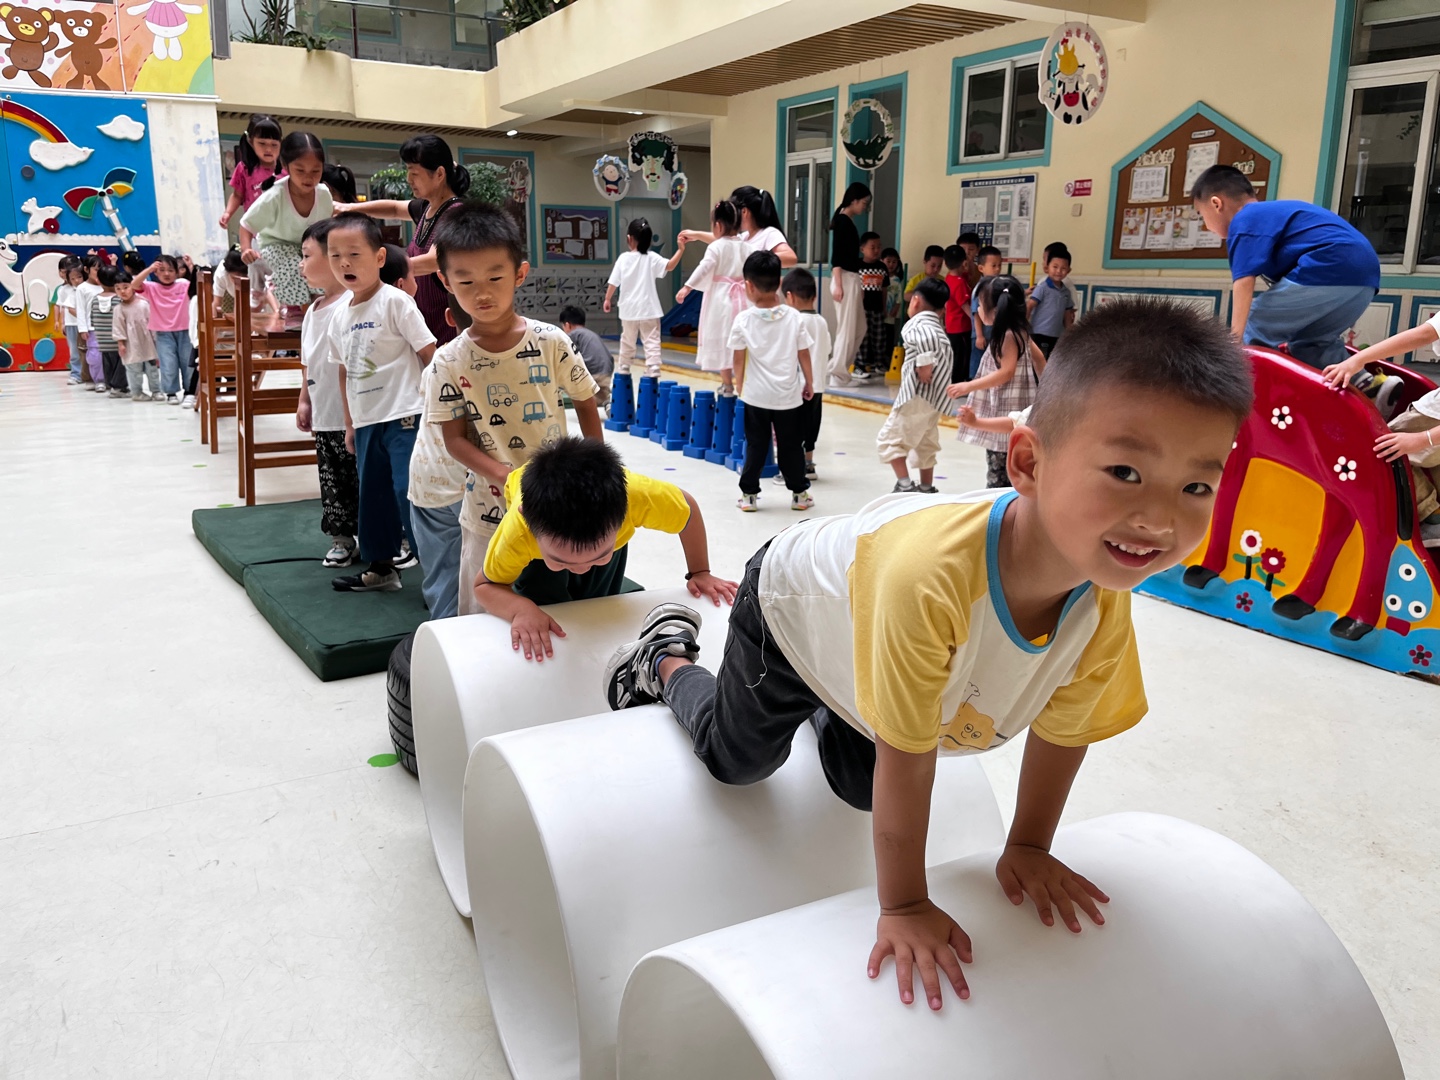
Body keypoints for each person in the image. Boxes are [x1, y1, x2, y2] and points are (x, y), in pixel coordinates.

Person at [602, 297, 1253, 1011]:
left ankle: (838, 697)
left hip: (862, 628)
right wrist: (905, 905)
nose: (1159, 518)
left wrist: (1028, 846)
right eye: (1125, 472)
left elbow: (1067, 729)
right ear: (1028, 461)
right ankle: (664, 660)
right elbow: (910, 760)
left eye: (1197, 485)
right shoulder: (931, 578)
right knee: (739, 763)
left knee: (860, 789)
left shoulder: (1100, 599)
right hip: (792, 608)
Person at [425, 203, 604, 616]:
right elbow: (454, 440)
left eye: (495, 278)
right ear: (445, 281)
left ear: (519, 274)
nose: (482, 293)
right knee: (481, 609)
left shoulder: (551, 341)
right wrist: (505, 475)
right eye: (466, 281)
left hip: (555, 505)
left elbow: (585, 403)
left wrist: (596, 469)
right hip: (487, 510)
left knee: (555, 608)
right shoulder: (448, 360)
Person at [475, 437, 737, 661]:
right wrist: (520, 609)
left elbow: (687, 510)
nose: (581, 568)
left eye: (598, 556)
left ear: (625, 514)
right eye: (563, 561)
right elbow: (485, 585)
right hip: (537, 558)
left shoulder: (638, 496)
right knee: (545, 603)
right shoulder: (518, 532)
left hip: (576, 543)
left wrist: (700, 572)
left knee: (599, 605)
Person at [326, 212, 437, 593]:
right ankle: (381, 567)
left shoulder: (395, 302)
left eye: (354, 254)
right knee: (371, 495)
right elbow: (343, 371)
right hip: (366, 419)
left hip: (406, 413)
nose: (344, 263)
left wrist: (439, 410)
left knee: (410, 491)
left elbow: (429, 354)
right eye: (335, 255)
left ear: (378, 258)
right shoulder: (339, 316)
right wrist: (349, 423)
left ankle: (439, 575)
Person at [1192, 164, 1380, 369]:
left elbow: (1244, 282)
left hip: (1329, 265)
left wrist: (1235, 343)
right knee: (1310, 343)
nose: (1206, 226)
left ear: (1216, 204)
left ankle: (1254, 385)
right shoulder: (1271, 214)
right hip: (1365, 279)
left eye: (1202, 215)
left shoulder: (1244, 219)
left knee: (1257, 323)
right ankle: (1366, 382)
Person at [335, 134, 472, 345]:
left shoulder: (455, 213)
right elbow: (393, 208)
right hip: (423, 317)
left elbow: (433, 260)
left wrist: (375, 267)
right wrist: (349, 208)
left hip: (444, 322)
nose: (409, 179)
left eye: (414, 173)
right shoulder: (427, 208)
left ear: (439, 174)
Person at [1321, 317, 1440, 547]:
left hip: (1434, 416)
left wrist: (1421, 439)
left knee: (1382, 449)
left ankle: (1430, 515)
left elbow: (1423, 334)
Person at [293, 219, 358, 569]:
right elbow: (308, 362)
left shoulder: (351, 303)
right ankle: (342, 539)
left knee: (362, 478)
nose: (301, 265)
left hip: (354, 415)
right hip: (325, 412)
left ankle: (384, 537)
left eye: (307, 256)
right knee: (331, 479)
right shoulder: (313, 310)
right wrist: (304, 400)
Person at [729, 250, 816, 512]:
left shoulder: (743, 320)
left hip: (755, 396)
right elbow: (803, 353)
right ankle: (799, 495)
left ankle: (749, 496)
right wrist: (809, 382)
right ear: (779, 282)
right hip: (787, 397)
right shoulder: (794, 317)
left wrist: (740, 385)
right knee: (791, 447)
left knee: (756, 446)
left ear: (749, 286)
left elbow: (738, 359)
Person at [407, 294, 473, 618]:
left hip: (426, 479)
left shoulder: (439, 361)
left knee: (441, 577)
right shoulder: (503, 359)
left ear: (448, 317)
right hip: (471, 483)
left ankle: (444, 631)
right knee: (487, 573)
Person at [951, 275, 1046, 488]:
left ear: (994, 311)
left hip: (1006, 407)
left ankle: (999, 503)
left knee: (1000, 470)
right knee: (1014, 464)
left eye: (980, 305)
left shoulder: (1008, 337)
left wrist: (969, 385)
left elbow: (1006, 372)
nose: (978, 309)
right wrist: (1049, 388)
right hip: (1019, 406)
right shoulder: (1019, 332)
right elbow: (1040, 360)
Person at [239, 131, 333, 312]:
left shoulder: (323, 194)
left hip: (309, 245)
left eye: (315, 171)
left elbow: (326, 229)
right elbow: (246, 225)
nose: (308, 177)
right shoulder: (275, 195)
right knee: (294, 266)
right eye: (300, 170)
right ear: (285, 166)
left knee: (324, 267)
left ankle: (321, 308)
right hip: (275, 244)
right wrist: (246, 249)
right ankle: (294, 310)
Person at [879, 278, 954, 494]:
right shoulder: (938, 327)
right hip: (934, 400)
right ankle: (926, 486)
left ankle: (904, 485)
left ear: (916, 300)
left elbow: (925, 341)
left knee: (889, 440)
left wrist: (924, 365)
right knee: (926, 441)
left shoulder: (918, 323)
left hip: (916, 395)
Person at [677, 199, 748, 397]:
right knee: (741, 344)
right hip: (744, 299)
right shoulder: (746, 246)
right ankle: (743, 385)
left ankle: (727, 384)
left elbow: (704, 267)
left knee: (723, 341)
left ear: (717, 225)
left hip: (721, 299)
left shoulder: (716, 247)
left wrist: (687, 287)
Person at [604, 218, 686, 378]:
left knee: (627, 339)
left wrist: (608, 299)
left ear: (629, 238)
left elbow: (613, 282)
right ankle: (653, 366)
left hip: (629, 309)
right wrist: (680, 250)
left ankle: (624, 366)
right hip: (649, 308)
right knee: (651, 340)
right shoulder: (652, 257)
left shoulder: (623, 258)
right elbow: (670, 266)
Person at [782, 267, 831, 482]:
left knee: (792, 429)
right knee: (811, 426)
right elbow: (827, 348)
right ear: (815, 296)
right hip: (817, 384)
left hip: (798, 386)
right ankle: (809, 463)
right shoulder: (821, 321)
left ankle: (791, 469)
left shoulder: (794, 321)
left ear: (790, 297)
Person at [130, 255, 193, 402]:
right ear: (156, 273)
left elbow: (198, 285)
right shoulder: (152, 288)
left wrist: (191, 267)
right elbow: (134, 284)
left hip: (185, 331)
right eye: (162, 270)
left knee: (187, 363)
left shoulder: (183, 284)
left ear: (177, 272)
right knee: (168, 363)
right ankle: (171, 393)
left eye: (171, 270)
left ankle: (190, 391)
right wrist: (149, 269)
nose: (166, 274)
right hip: (163, 333)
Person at [827, 182, 871, 387]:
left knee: (859, 327)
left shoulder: (847, 221)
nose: (865, 207)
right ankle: (838, 374)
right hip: (843, 278)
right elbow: (837, 257)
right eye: (864, 203)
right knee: (847, 329)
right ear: (854, 200)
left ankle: (839, 368)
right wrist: (838, 285)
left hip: (851, 278)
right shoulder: (842, 222)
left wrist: (858, 284)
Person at [219, 113, 282, 230]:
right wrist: (228, 213)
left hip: (283, 232)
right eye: (262, 143)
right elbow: (237, 196)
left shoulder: (287, 169)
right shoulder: (244, 169)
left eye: (274, 145)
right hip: (255, 232)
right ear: (251, 141)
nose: (268, 149)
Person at [113, 274, 163, 401]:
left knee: (152, 369)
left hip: (148, 342)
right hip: (131, 344)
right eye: (118, 288)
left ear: (133, 286)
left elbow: (152, 322)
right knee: (133, 370)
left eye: (125, 287)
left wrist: (156, 340)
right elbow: (118, 328)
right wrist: (121, 344)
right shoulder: (119, 309)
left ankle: (156, 391)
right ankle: (136, 392)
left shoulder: (144, 304)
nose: (122, 291)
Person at [1027, 243, 1076, 359]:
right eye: (1055, 267)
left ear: (1069, 270)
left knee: (1051, 362)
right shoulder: (1042, 288)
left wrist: (1070, 333)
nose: (1059, 271)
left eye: (1063, 268)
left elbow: (1067, 314)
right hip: (1039, 333)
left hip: (1057, 336)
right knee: (1039, 361)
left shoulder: (1066, 292)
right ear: (1046, 268)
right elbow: (1030, 305)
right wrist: (1024, 325)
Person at [558, 304, 613, 407]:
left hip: (592, 377)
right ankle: (604, 400)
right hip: (606, 376)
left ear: (567, 325)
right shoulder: (591, 334)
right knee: (600, 398)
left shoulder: (572, 335)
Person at [88, 266, 127, 398]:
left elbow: (92, 319)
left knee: (108, 364)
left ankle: (111, 385)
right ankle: (119, 387)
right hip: (118, 340)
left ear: (98, 280)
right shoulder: (119, 300)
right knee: (121, 364)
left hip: (102, 340)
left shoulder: (95, 300)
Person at [855, 232, 890, 379]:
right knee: (862, 337)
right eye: (872, 247)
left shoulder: (882, 267)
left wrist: (884, 307)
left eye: (879, 247)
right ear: (862, 249)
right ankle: (859, 365)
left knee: (879, 337)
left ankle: (879, 363)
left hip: (877, 309)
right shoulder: (856, 266)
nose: (876, 250)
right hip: (861, 309)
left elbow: (884, 289)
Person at [969, 245, 1003, 381]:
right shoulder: (980, 288)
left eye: (999, 265)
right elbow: (976, 313)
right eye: (993, 265)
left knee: (991, 365)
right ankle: (973, 386)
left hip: (994, 334)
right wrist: (979, 335)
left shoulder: (997, 286)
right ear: (981, 268)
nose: (997, 269)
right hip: (982, 334)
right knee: (978, 364)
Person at [942, 245, 972, 383]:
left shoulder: (949, 278)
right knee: (961, 357)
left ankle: (954, 381)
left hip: (951, 325)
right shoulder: (959, 283)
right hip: (961, 327)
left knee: (955, 355)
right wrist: (977, 321)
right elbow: (965, 306)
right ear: (964, 262)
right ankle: (958, 382)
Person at [74, 257, 105, 391]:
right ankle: (98, 380)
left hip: (108, 327)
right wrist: (83, 329)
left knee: (109, 355)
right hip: (92, 328)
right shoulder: (82, 288)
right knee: (95, 356)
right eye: (96, 269)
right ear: (86, 270)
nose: (99, 272)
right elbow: (80, 309)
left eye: (101, 269)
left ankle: (112, 379)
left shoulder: (107, 285)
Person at [55, 257, 83, 385]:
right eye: (62, 271)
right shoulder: (63, 290)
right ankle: (76, 374)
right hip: (71, 324)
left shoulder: (84, 287)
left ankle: (89, 374)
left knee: (88, 349)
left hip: (85, 324)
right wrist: (62, 323)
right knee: (74, 350)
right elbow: (62, 307)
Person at [882, 246, 905, 354]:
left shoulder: (896, 280)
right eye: (888, 261)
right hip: (879, 314)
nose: (891, 264)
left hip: (891, 316)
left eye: (894, 262)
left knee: (889, 337)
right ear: (882, 261)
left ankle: (888, 358)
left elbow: (899, 298)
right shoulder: (879, 277)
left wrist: (895, 309)